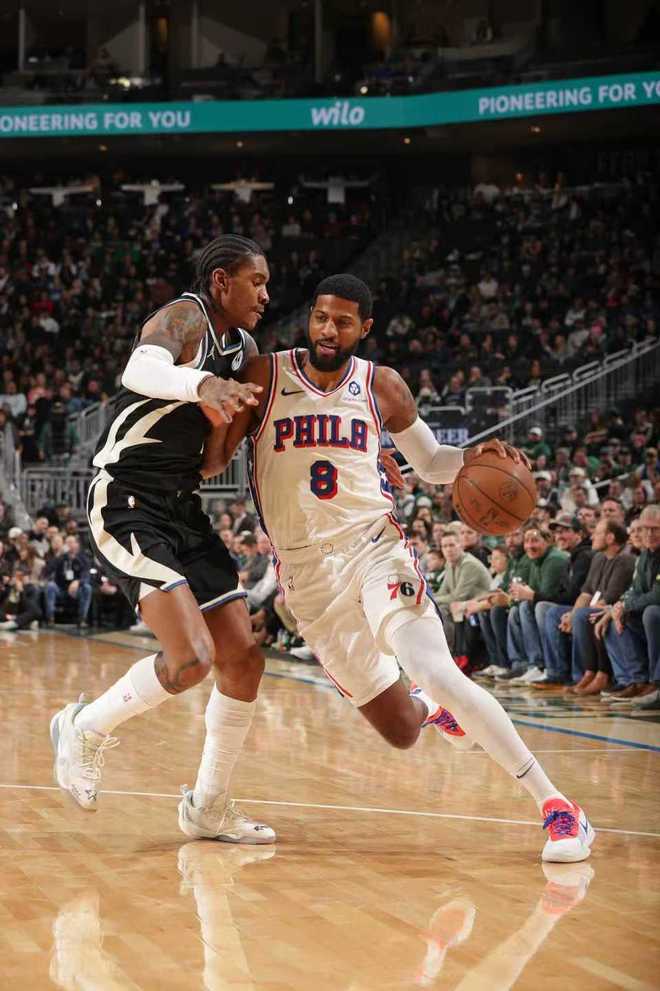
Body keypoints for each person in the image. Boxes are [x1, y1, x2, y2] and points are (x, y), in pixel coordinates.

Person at [209, 273, 594, 863]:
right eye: (320, 317)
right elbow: (218, 456)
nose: (328, 330)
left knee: (436, 669)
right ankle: (432, 710)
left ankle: (558, 807)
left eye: (343, 321)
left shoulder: (381, 386)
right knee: (402, 730)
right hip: (307, 579)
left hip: (373, 548)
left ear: (364, 328)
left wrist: (476, 458)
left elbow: (432, 461)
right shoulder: (266, 375)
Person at [49, 234, 279, 845]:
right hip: (127, 499)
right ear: (221, 282)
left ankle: (209, 805)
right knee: (191, 660)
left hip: (182, 504)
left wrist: (229, 427)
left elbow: (213, 460)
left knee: (242, 659)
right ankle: (85, 727)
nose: (265, 294)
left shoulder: (244, 349)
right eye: (256, 281)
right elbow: (139, 369)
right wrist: (203, 387)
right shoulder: (186, 316)